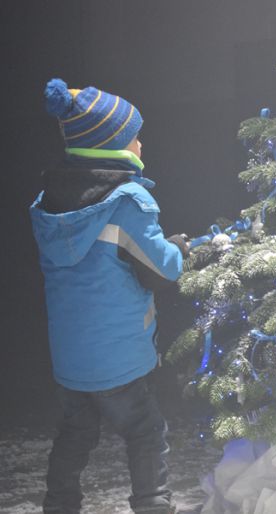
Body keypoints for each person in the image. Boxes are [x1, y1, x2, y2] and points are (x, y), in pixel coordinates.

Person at [30, 78, 189, 514]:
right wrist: (180, 248)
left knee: (74, 434)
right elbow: (163, 270)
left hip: (70, 362)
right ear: (111, 145)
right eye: (135, 135)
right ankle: (153, 505)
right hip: (120, 359)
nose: (141, 142)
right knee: (144, 430)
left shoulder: (48, 202)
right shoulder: (126, 202)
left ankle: (59, 506)